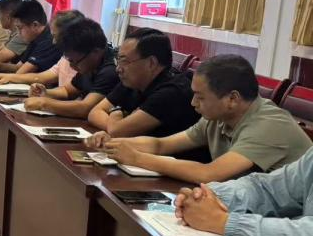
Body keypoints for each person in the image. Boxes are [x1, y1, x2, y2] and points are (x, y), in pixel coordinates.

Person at [89, 55, 311, 183]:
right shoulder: (218, 117)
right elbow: (161, 145)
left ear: (232, 98)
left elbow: (209, 173)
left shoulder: (268, 125)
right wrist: (113, 143)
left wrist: (137, 158)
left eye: (200, 96)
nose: (193, 103)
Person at [174, 149, 313, 236]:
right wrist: (207, 197)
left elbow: (207, 173)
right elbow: (266, 189)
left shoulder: (269, 125)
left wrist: (224, 222)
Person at [87, 29, 201, 138]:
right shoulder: (134, 81)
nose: (118, 69)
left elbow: (117, 131)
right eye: (118, 60)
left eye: (124, 61)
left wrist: (115, 112)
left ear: (151, 63)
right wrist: (116, 124)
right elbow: (94, 113)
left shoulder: (172, 92)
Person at [22, 18, 118, 118]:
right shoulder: (89, 62)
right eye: (70, 61)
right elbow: (68, 91)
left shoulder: (110, 71)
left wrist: (44, 103)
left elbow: (85, 109)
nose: (72, 66)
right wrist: (45, 93)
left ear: (95, 52)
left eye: (74, 61)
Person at [0, 9, 84, 88]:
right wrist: (5, 72)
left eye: (56, 36)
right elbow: (41, 77)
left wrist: (45, 101)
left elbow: (77, 99)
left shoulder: (83, 62)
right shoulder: (65, 57)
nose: (54, 41)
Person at [0, 0, 61, 74]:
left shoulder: (48, 40)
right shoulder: (34, 38)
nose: (19, 34)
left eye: (20, 28)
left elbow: (20, 73)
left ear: (35, 25)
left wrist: (0, 75)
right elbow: (18, 67)